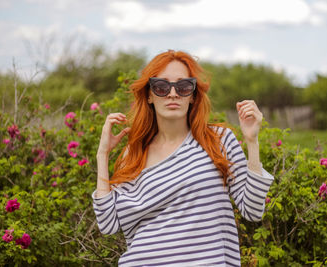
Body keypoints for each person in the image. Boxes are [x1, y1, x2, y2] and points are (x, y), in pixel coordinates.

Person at [92, 50, 274, 267]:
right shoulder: (132, 156)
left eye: (183, 86)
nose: (172, 93)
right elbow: (108, 224)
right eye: (161, 86)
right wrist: (102, 155)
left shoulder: (219, 141)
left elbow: (252, 211)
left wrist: (252, 142)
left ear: (193, 95)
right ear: (149, 95)